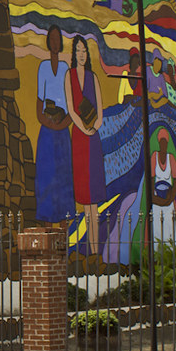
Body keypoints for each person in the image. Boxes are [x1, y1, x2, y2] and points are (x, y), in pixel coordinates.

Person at [65, 35, 106, 255]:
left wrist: (94, 128)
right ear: (74, 53)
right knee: (84, 197)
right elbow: (71, 109)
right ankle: (89, 250)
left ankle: (95, 249)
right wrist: (83, 128)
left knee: (94, 200)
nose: (81, 54)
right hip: (79, 139)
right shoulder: (69, 76)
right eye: (78, 50)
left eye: (84, 50)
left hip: (93, 139)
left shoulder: (93, 78)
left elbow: (100, 110)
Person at [35, 25, 74, 224]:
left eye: (58, 38)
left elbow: (70, 103)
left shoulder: (66, 69)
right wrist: (50, 123)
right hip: (48, 130)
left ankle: (64, 218)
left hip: (62, 129)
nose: (55, 42)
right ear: (48, 41)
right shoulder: (42, 67)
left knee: (64, 174)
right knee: (47, 173)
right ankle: (46, 218)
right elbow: (38, 105)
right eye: (52, 38)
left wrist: (62, 124)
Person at [151, 127, 176, 245]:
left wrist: (170, 198)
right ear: (159, 142)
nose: (163, 145)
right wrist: (156, 200)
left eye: (165, 142)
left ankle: (170, 257)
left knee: (169, 231)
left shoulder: (170, 158)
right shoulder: (154, 156)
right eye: (161, 142)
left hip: (168, 201)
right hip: (157, 200)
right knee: (157, 232)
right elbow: (151, 179)